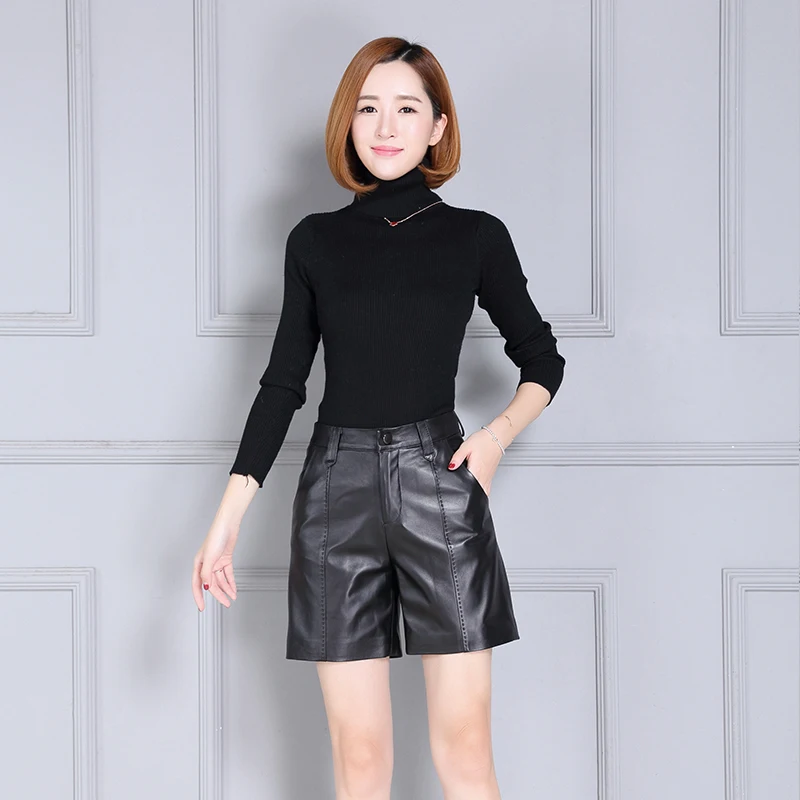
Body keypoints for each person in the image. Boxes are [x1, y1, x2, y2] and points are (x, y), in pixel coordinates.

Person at [192, 36, 565, 799]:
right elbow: (282, 385)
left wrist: (495, 439)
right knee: (360, 760)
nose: (386, 126)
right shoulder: (314, 242)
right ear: (348, 122)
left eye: (406, 108)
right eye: (368, 108)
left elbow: (542, 361)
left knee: (465, 750)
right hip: (337, 495)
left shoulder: (476, 236)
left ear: (438, 126)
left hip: (440, 487)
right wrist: (225, 520)